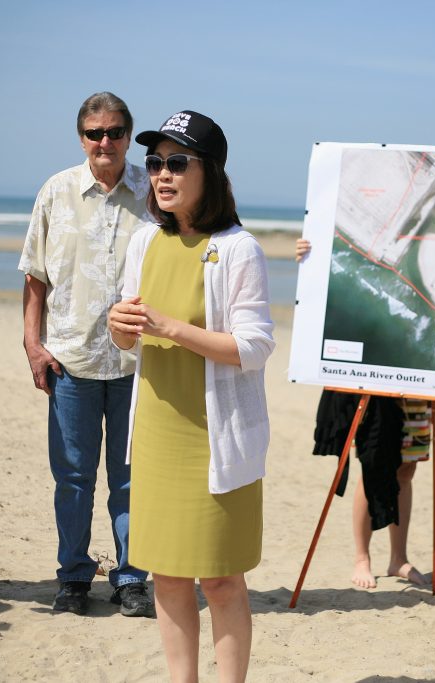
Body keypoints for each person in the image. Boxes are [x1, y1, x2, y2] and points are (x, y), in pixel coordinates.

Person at [108, 110, 274, 682]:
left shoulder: (238, 248)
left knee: (222, 579)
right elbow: (129, 334)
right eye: (154, 162)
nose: (162, 174)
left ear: (211, 172)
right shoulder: (144, 240)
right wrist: (120, 325)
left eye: (178, 162)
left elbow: (254, 347)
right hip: (156, 429)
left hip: (216, 438)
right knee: (169, 575)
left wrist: (171, 326)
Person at [18, 92, 153, 617]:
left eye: (115, 132)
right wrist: (33, 344)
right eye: (95, 133)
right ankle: (74, 576)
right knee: (72, 476)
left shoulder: (153, 189)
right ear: (81, 137)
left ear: (127, 135)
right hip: (69, 361)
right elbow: (35, 277)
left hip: (139, 365)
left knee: (130, 477)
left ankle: (131, 576)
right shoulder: (55, 191)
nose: (105, 142)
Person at [297, 240, 427, 589]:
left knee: (406, 468)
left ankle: (398, 558)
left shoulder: (421, 243)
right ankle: (362, 556)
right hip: (372, 371)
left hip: (417, 368)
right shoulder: (367, 238)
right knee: (373, 461)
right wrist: (312, 256)